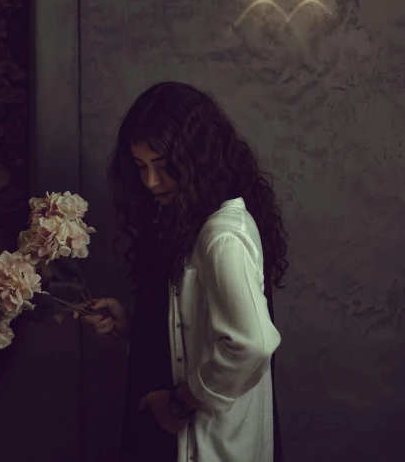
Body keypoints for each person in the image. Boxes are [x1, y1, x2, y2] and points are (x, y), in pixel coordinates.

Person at [78, 82, 288, 462]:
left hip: (198, 441)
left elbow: (252, 344)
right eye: (141, 167)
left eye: (162, 166)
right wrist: (133, 325)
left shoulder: (221, 235)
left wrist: (179, 403)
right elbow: (192, 325)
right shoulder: (189, 219)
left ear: (197, 157)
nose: (150, 182)